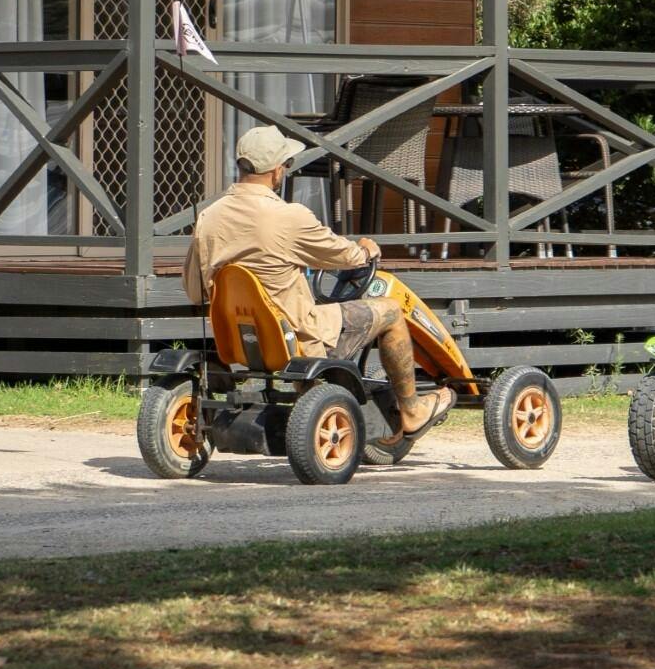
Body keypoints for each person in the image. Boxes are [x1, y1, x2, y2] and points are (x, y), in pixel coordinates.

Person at [182, 124, 453, 437]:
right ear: (277, 170)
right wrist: (365, 250)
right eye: (287, 164)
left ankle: (317, 392)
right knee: (390, 311)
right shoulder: (288, 216)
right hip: (295, 337)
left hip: (236, 341)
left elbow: (195, 291)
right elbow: (342, 255)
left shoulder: (209, 217)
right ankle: (412, 410)